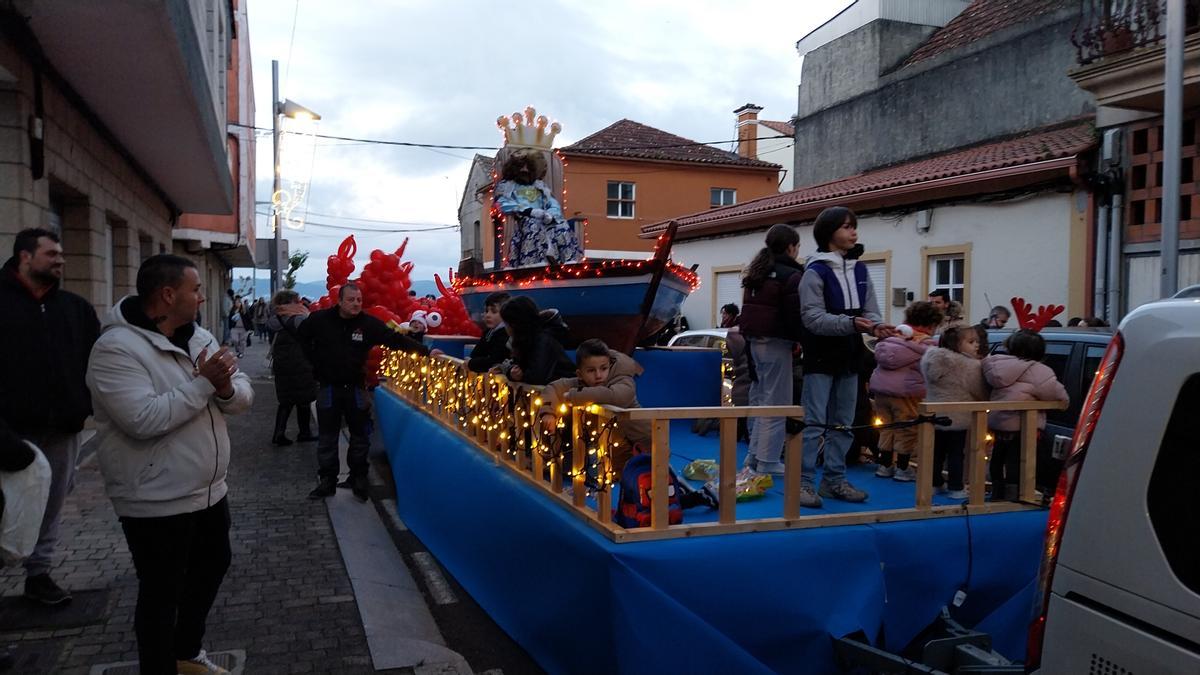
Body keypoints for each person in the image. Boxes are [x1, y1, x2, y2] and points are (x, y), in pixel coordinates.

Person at [86, 254, 253, 675]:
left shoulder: (198, 337)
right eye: (195, 290)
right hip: (155, 499)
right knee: (161, 594)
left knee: (212, 567)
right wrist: (204, 383)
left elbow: (242, 393)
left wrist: (227, 387)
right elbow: (144, 419)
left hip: (210, 491)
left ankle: (186, 652)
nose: (201, 298)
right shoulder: (115, 348)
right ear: (167, 294)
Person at [0, 228, 100, 605]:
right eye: (51, 254)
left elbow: (95, 363)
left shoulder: (74, 308)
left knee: (52, 503)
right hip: (8, 431)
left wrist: (83, 405)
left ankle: (39, 574)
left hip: (62, 427)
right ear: (25, 257)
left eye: (61, 254)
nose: (60, 260)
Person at [276, 283, 433, 501]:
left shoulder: (367, 324)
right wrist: (314, 361)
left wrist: (425, 351)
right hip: (328, 388)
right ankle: (327, 481)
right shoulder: (320, 320)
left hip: (356, 389)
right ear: (339, 301)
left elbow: (394, 339)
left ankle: (358, 478)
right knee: (327, 438)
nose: (356, 304)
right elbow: (301, 335)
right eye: (351, 300)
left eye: (359, 300)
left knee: (360, 436)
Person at [538, 339, 716, 508]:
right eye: (591, 371)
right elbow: (553, 388)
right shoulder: (579, 383)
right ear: (580, 373)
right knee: (641, 489)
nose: (599, 375)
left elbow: (618, 397)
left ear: (610, 366)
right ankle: (678, 496)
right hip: (619, 446)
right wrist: (548, 412)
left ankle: (695, 495)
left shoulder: (622, 379)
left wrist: (577, 395)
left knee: (657, 482)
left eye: (603, 368)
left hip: (646, 444)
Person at [799, 206, 895, 507]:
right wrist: (851, 323)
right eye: (846, 227)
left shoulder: (862, 270)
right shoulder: (814, 272)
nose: (853, 232)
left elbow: (871, 311)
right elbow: (812, 318)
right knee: (814, 422)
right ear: (829, 233)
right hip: (820, 354)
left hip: (851, 354)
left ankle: (834, 480)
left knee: (844, 422)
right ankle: (803, 484)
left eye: (854, 226)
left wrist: (878, 326)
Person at [737, 223, 804, 475]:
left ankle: (753, 457)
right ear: (791, 247)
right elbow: (794, 314)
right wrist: (802, 339)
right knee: (777, 402)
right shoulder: (791, 276)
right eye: (797, 247)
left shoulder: (757, 273)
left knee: (760, 399)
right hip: (777, 343)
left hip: (754, 343)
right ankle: (767, 461)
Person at [981, 329, 1069, 500]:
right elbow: (1057, 394)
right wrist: (1064, 403)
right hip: (1023, 426)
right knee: (1018, 460)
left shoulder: (996, 364)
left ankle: (997, 491)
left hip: (998, 422)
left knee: (998, 458)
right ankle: (1015, 495)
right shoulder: (1039, 371)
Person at [870, 301, 942, 482]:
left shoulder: (891, 339)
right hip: (907, 393)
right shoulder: (926, 345)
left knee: (886, 427)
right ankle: (903, 468)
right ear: (931, 324)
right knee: (907, 429)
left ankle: (884, 465)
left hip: (881, 390)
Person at [920, 324, 989, 499]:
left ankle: (934, 483)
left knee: (936, 452)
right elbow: (979, 390)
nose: (976, 345)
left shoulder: (930, 358)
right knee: (956, 453)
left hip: (934, 414)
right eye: (971, 341)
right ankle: (956, 487)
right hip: (959, 416)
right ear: (956, 344)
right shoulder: (969, 365)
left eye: (977, 341)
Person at [266, 290, 318, 446]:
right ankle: (304, 432)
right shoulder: (298, 318)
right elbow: (312, 334)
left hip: (281, 363)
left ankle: (279, 433)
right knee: (304, 398)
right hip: (299, 361)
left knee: (286, 399)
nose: (300, 304)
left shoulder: (275, 318)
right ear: (291, 302)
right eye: (297, 301)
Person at [496, 296, 574, 386]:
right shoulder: (526, 340)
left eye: (506, 324)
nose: (505, 328)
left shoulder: (543, 340)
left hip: (563, 392)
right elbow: (518, 366)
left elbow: (537, 376)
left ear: (514, 325)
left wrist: (520, 376)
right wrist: (511, 372)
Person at [466, 291, 511, 373]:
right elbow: (475, 354)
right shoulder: (488, 332)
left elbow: (494, 361)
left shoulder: (506, 334)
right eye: (487, 311)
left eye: (494, 311)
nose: (488, 315)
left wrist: (472, 363)